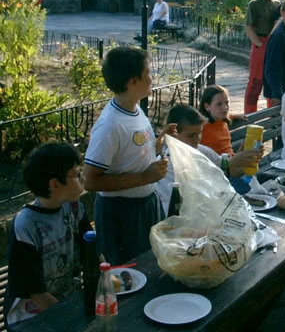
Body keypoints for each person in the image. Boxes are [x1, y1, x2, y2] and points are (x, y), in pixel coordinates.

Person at [83, 47, 168, 265]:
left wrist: (158, 144)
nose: (151, 78)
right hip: (121, 215)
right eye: (147, 72)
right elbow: (91, 180)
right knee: (128, 276)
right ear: (132, 81)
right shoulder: (110, 125)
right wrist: (144, 178)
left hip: (146, 205)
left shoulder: (135, 108)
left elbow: (132, 152)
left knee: (149, 267)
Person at [6, 143, 92, 327]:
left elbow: (92, 250)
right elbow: (37, 294)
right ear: (54, 184)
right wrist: (77, 319)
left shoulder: (74, 207)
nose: (83, 178)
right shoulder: (26, 226)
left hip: (68, 302)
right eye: (77, 174)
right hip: (31, 317)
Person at [156, 105, 263, 212]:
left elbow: (228, 172)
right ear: (173, 135)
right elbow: (200, 191)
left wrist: (246, 161)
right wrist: (233, 164)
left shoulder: (202, 151)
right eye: (191, 135)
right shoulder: (167, 162)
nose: (197, 139)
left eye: (199, 133)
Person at [244, 0, 281, 113]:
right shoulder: (254, 4)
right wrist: (259, 45)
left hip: (274, 43)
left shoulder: (278, 4)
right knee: (256, 80)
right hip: (260, 42)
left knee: (272, 79)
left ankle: (272, 113)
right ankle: (249, 114)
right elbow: (248, 26)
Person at [199, 85, 264, 161]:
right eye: (219, 104)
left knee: (255, 150)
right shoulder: (201, 126)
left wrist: (234, 116)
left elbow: (227, 115)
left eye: (227, 103)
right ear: (207, 106)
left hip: (233, 161)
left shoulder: (222, 118)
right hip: (220, 167)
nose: (225, 107)